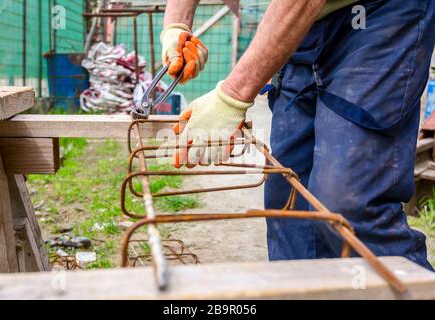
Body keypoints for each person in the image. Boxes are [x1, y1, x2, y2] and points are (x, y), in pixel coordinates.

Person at [160, 0, 435, 270]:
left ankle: (411, 287)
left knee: (344, 202)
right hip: (301, 24)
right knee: (289, 195)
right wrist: (176, 24)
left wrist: (231, 98)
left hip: (379, 13)